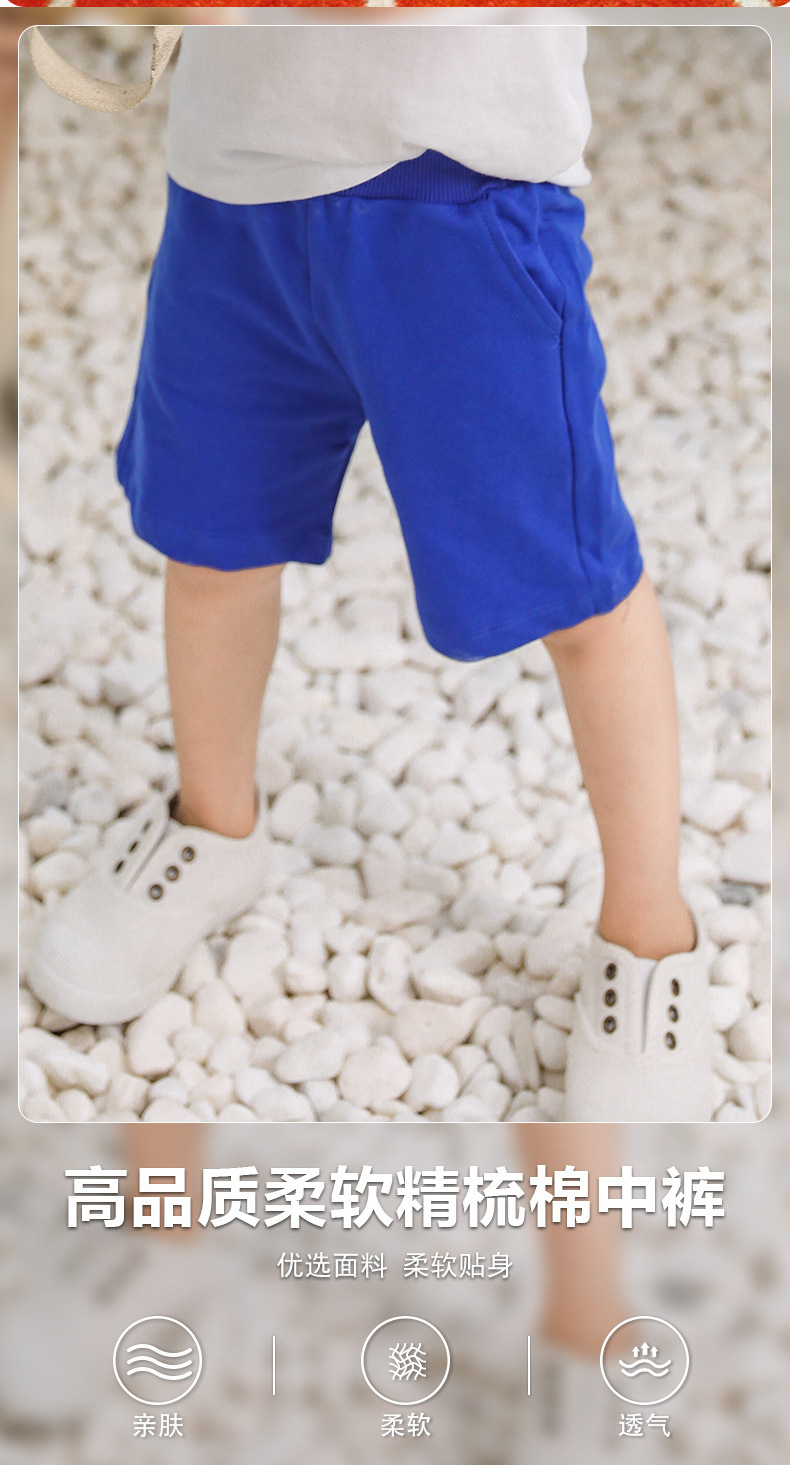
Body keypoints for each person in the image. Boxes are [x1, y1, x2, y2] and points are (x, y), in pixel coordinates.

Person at [25, 23, 712, 1122]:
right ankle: (213, 825)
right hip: (235, 179)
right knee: (210, 536)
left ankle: (650, 938)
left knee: (576, 586)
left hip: (462, 184)